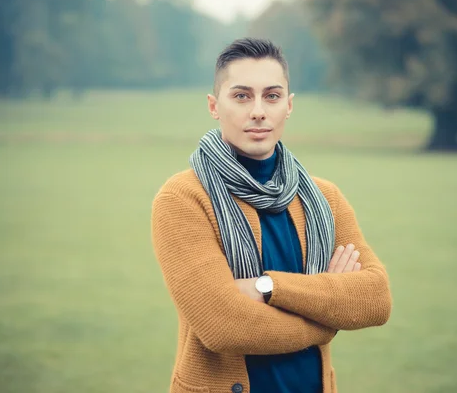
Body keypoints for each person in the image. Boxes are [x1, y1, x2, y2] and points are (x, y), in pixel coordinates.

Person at [151, 37, 391, 393]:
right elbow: (223, 325)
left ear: (289, 106)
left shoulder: (324, 197)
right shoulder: (184, 198)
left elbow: (375, 298)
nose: (259, 110)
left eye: (272, 96)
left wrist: (267, 288)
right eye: (242, 96)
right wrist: (326, 317)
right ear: (214, 106)